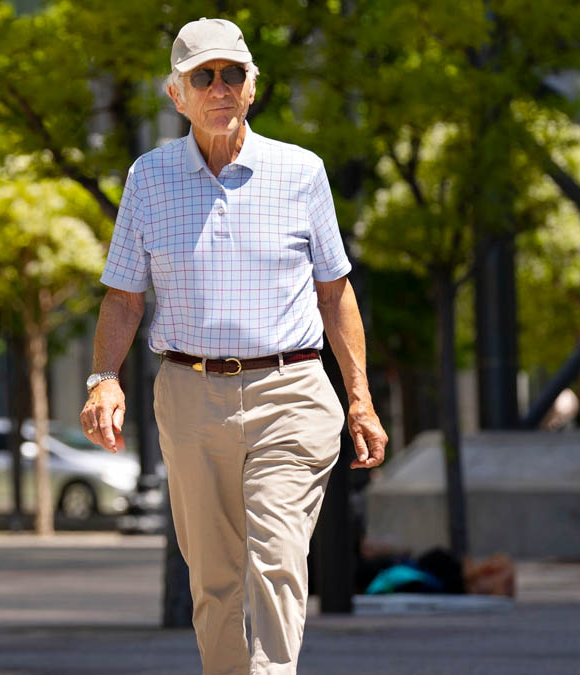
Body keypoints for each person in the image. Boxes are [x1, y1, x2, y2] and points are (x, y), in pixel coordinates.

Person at [79, 17, 388, 675]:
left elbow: (336, 292)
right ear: (176, 94)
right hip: (189, 396)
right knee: (213, 577)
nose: (220, 87)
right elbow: (124, 296)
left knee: (277, 557)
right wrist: (102, 374)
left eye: (233, 75)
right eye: (204, 76)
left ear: (252, 88)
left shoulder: (301, 172)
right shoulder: (148, 177)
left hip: (291, 391)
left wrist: (359, 399)